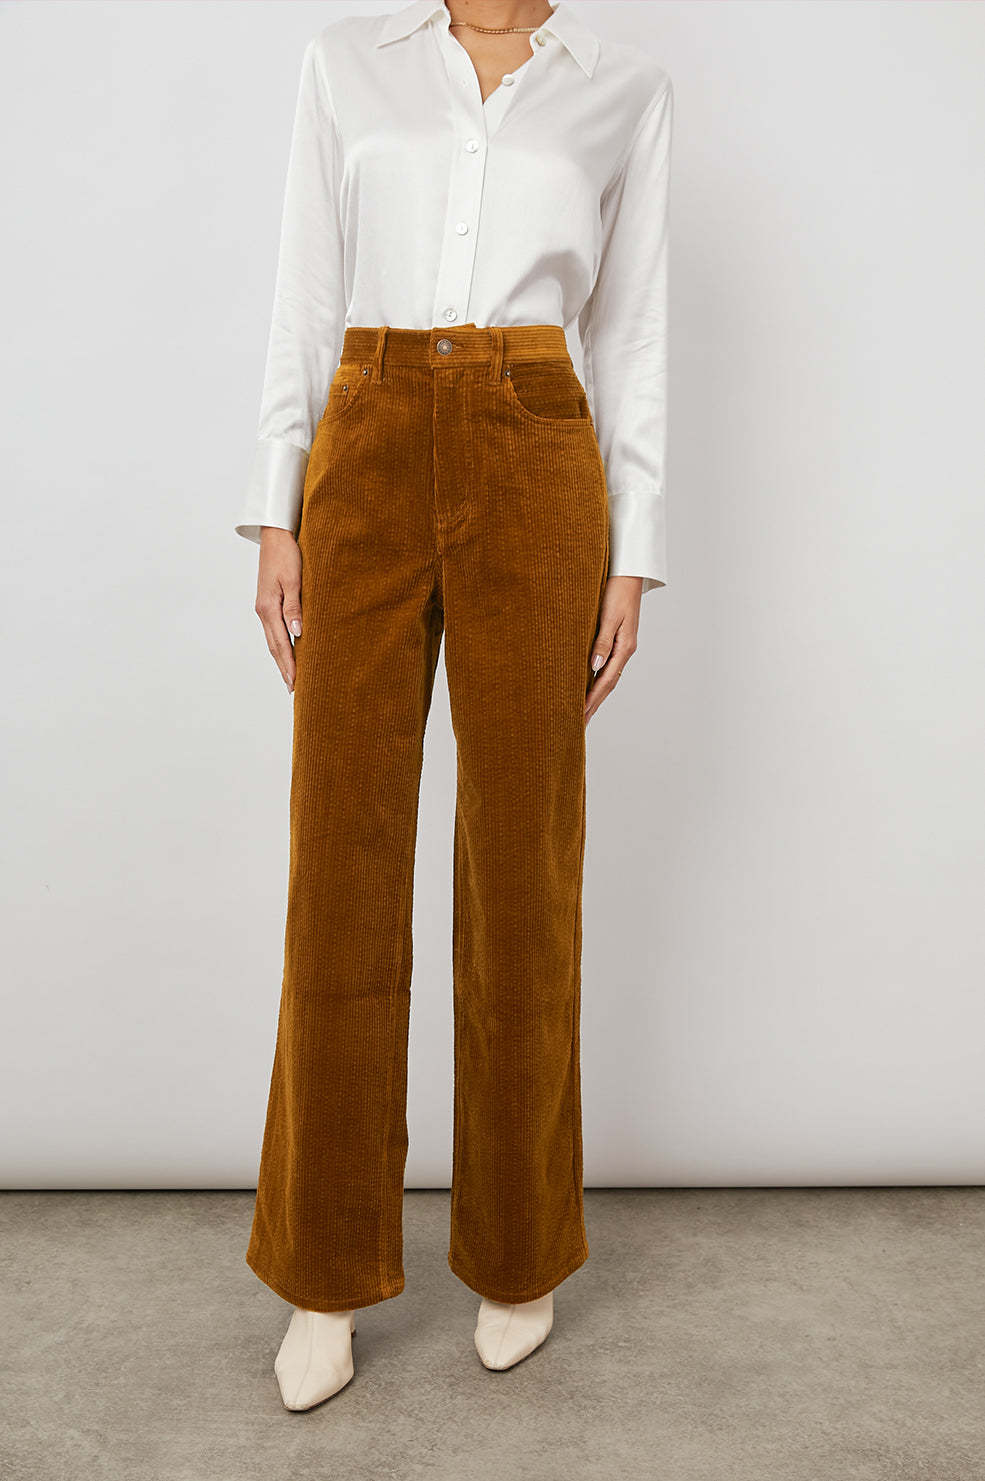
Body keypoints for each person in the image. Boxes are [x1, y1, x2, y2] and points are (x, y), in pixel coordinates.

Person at [235, 0, 672, 1410]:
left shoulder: (623, 88)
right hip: (364, 439)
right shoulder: (346, 64)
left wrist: (634, 549)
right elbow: (305, 292)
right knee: (340, 864)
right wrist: (275, 509)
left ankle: (518, 1247)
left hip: (537, 447)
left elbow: (632, 327)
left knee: (523, 867)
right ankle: (322, 1269)